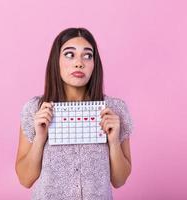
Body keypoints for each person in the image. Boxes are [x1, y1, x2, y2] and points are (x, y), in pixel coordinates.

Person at [15, 27, 134, 200]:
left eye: (87, 55)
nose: (79, 63)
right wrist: (40, 138)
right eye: (70, 54)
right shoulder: (35, 109)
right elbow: (25, 179)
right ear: (56, 61)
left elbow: (119, 180)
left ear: (94, 64)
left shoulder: (115, 110)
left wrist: (114, 141)